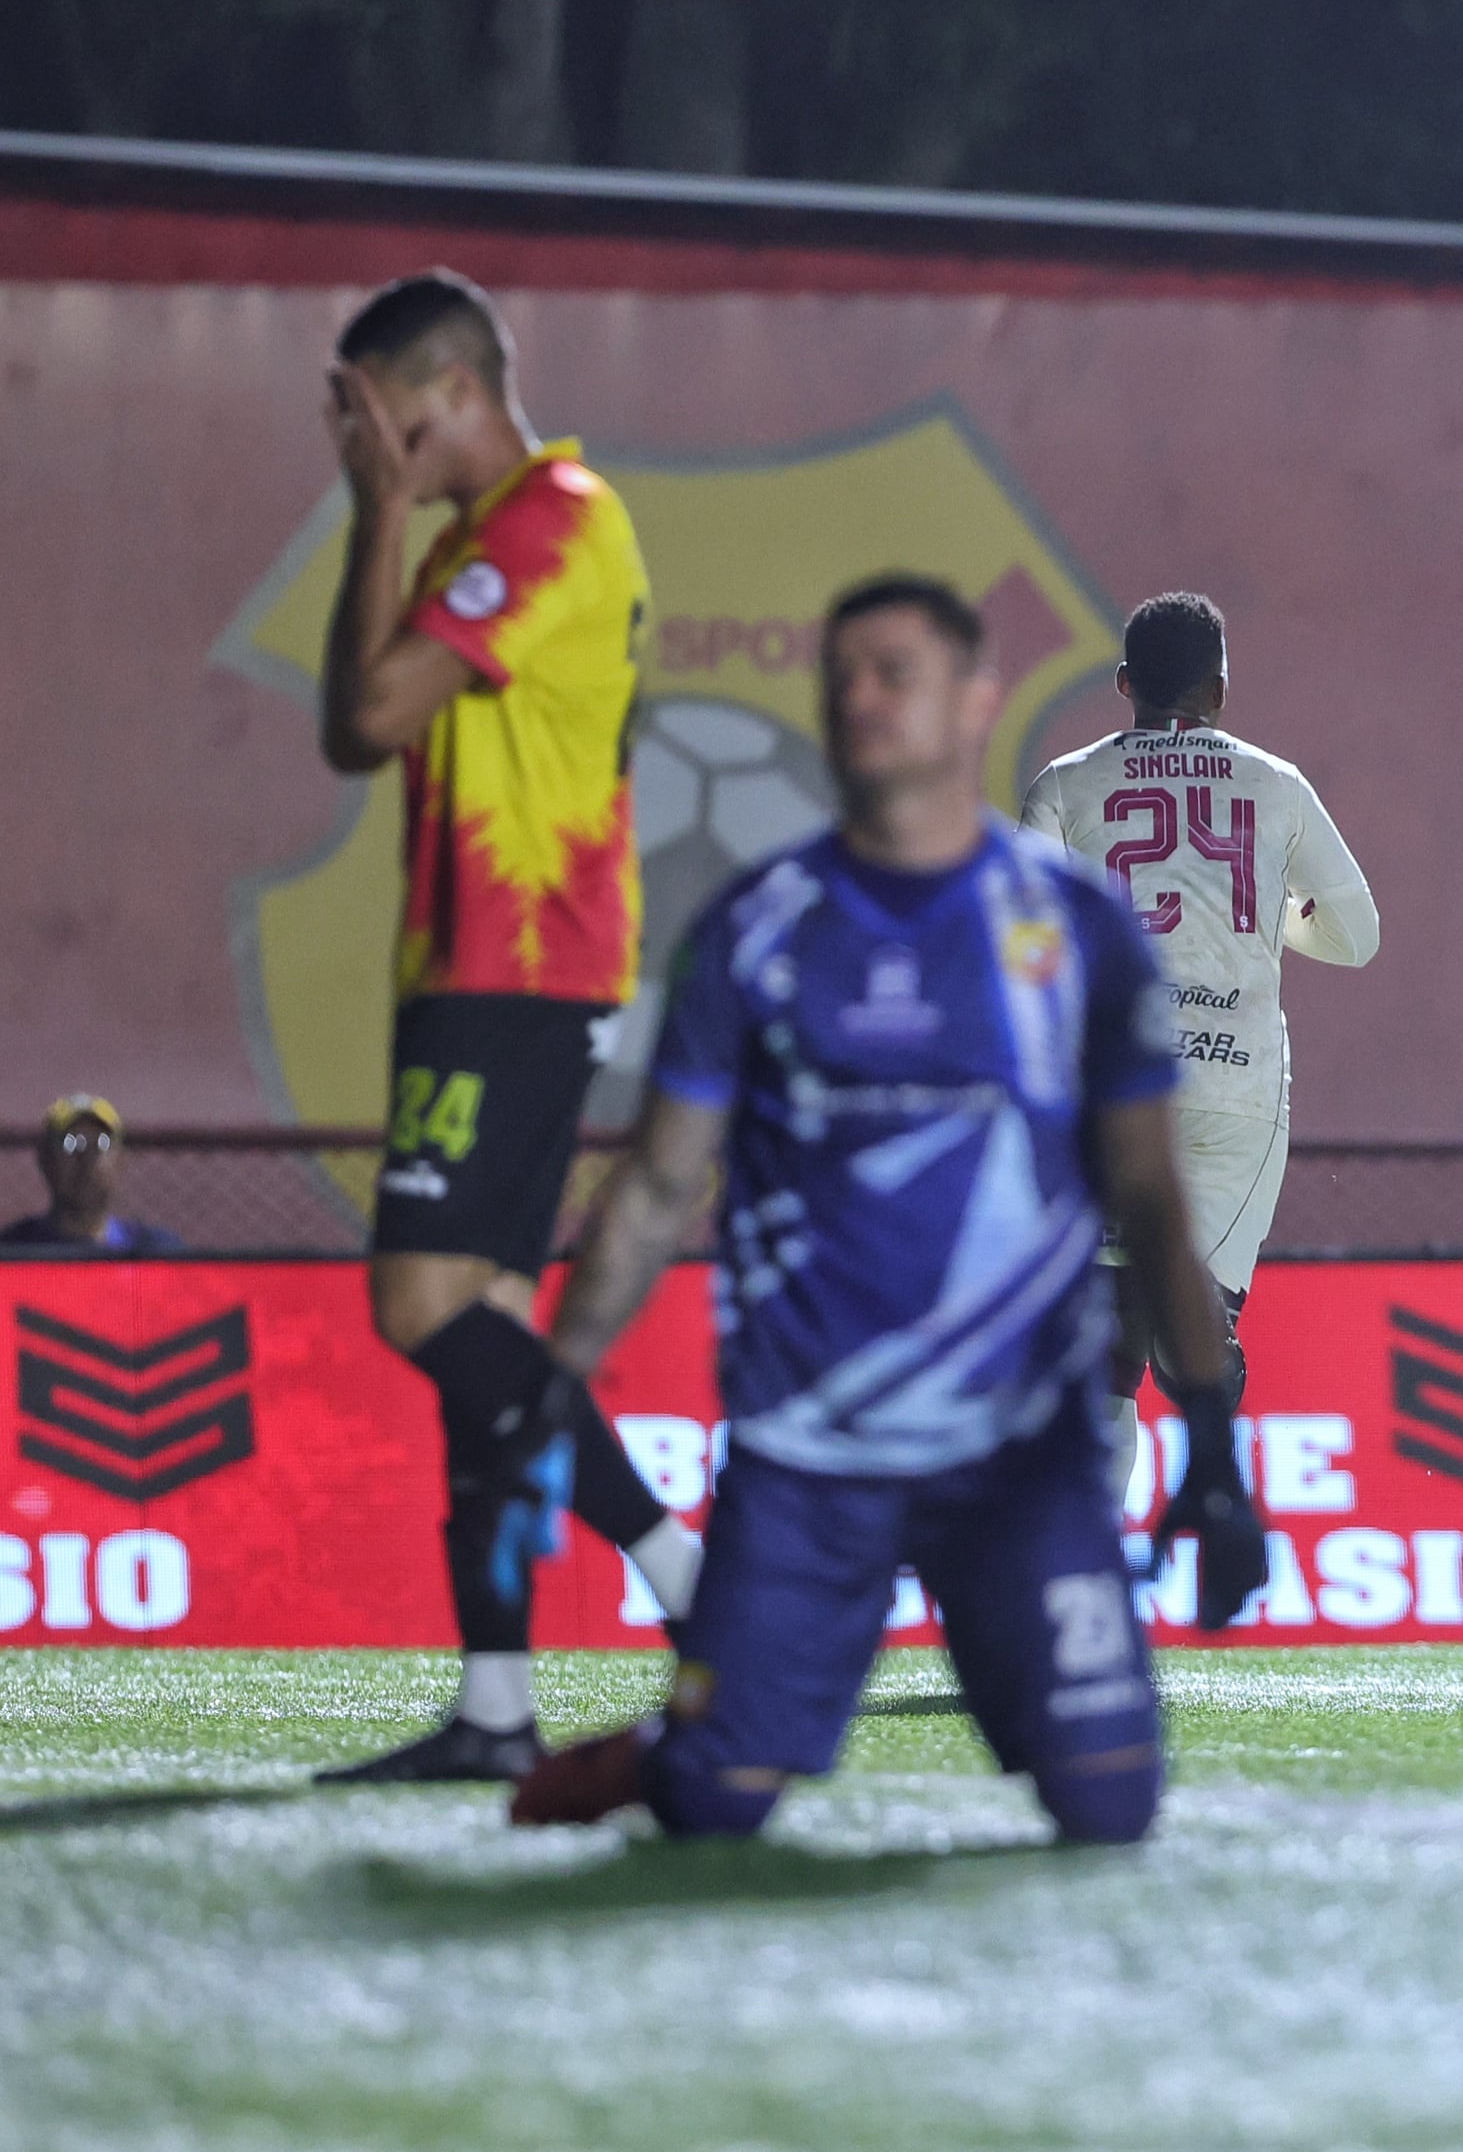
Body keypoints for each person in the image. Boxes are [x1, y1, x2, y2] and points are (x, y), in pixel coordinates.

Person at [509, 574, 1265, 1841]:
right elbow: (650, 1190)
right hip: (807, 1457)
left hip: (1019, 1462)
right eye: (842, 675)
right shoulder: (753, 929)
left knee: (1109, 1805)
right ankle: (674, 1744)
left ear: (976, 703)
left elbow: (1149, 1195)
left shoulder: (1075, 929)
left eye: (895, 673)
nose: (861, 699)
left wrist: (1213, 1446)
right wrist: (544, 1393)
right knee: (706, 1811)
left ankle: (716, 1720)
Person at [314, 269, 701, 1784]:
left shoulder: (552, 518)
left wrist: (374, 512)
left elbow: (361, 718)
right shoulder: (493, 534)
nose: (356, 438)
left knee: (418, 1304)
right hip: (486, 963)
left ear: (450, 390)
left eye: (373, 410)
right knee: (480, 1331)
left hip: (518, 963)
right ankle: (492, 1703)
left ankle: (687, 1578)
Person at [1019, 592, 1379, 1492]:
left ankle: (1094, 1589)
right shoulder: (1275, 783)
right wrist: (1267, 925)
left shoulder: (1065, 783)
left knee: (1106, 1358)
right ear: (1219, 688)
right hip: (1236, 1088)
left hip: (1113, 1090)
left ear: (1122, 683)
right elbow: (1357, 936)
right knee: (1188, 1321)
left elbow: (1021, 938)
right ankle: (1202, 1363)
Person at [0, 1095, 181, 1253]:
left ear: (120, 1160)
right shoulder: (14, 1252)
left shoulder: (156, 1253)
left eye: (101, 1143)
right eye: (70, 1144)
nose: (85, 1157)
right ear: (46, 1160)